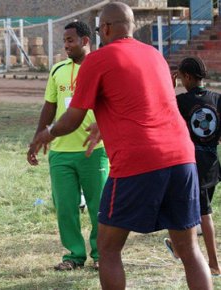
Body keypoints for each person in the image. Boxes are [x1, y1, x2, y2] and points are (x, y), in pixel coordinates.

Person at [30, 2, 213, 290]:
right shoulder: (155, 56)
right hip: (182, 158)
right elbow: (147, 104)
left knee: (109, 248)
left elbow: (73, 118)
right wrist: (104, 125)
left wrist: (47, 132)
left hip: (138, 161)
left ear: (104, 28)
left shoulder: (98, 60)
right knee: (189, 250)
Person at [27, 21, 108, 271]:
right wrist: (38, 136)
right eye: (64, 41)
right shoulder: (57, 70)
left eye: (70, 41)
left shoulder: (101, 69)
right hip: (60, 151)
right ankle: (73, 255)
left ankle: (101, 255)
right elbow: (50, 106)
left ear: (85, 41)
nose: (66, 46)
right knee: (65, 207)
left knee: (98, 207)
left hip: (94, 150)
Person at [164, 56, 221, 277]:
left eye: (180, 76)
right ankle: (179, 248)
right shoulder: (217, 98)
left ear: (186, 77)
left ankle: (214, 264)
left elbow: (165, 115)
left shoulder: (181, 102)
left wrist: (170, 90)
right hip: (212, 163)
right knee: (193, 209)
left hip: (190, 163)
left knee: (203, 214)